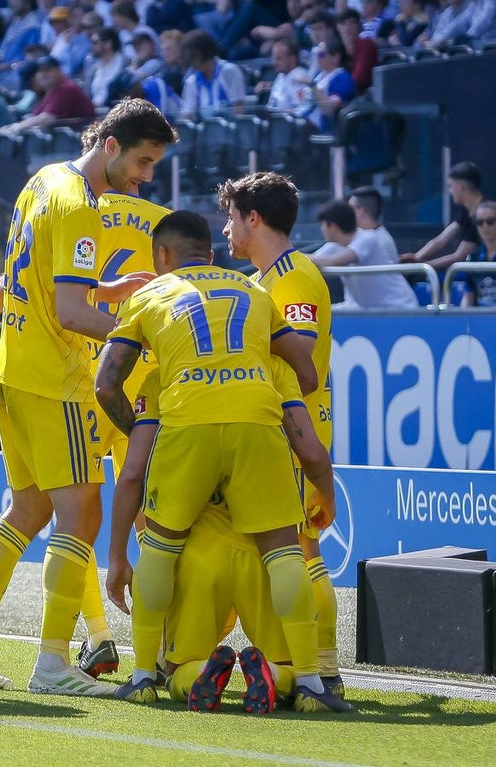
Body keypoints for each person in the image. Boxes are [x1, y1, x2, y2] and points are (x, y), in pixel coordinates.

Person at [0, 99, 176, 696]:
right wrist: (144, 342)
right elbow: (69, 313)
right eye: (143, 162)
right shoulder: (79, 206)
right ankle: (53, 665)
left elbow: (23, 274)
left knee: (29, 510)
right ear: (112, 145)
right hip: (56, 382)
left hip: (10, 370)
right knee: (81, 515)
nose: (146, 178)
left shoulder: (43, 180)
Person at [96, 210, 346, 713]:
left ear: (162, 257)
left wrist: (147, 429)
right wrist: (324, 491)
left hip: (186, 423)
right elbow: (304, 372)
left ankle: (145, 674)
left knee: (162, 550)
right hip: (256, 419)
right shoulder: (256, 293)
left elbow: (107, 383)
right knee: (286, 554)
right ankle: (314, 685)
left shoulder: (149, 298)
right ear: (210, 254)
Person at [113, 359, 337, 713]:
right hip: (264, 557)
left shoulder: (164, 375)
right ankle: (302, 680)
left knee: (176, 670)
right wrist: (326, 492)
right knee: (298, 571)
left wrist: (115, 555)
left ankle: (157, 675)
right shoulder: (274, 370)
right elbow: (309, 446)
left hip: (198, 558)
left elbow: (132, 474)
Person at [216, 171, 345, 701]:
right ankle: (306, 665)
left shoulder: (293, 276)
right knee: (291, 548)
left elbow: (303, 355)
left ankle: (324, 670)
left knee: (302, 548)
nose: (225, 230)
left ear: (253, 218)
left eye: (230, 217)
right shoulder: (269, 278)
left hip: (296, 431)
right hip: (277, 428)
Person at [309, 194, 418, 309]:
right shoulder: (334, 245)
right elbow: (313, 259)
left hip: (399, 307)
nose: (321, 229)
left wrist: (295, 255)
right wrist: (296, 257)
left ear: (333, 226)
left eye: (322, 224)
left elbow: (334, 261)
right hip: (367, 308)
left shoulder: (367, 238)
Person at [401, 161, 485, 270]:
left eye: (450, 186)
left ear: (461, 186)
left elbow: (459, 256)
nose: (450, 191)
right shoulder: (467, 210)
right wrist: (416, 256)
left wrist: (421, 267)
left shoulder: (484, 216)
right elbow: (441, 239)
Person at [460, 200, 496, 307]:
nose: (485, 226)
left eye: (490, 221)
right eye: (480, 222)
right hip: (480, 320)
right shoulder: (473, 257)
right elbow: (468, 296)